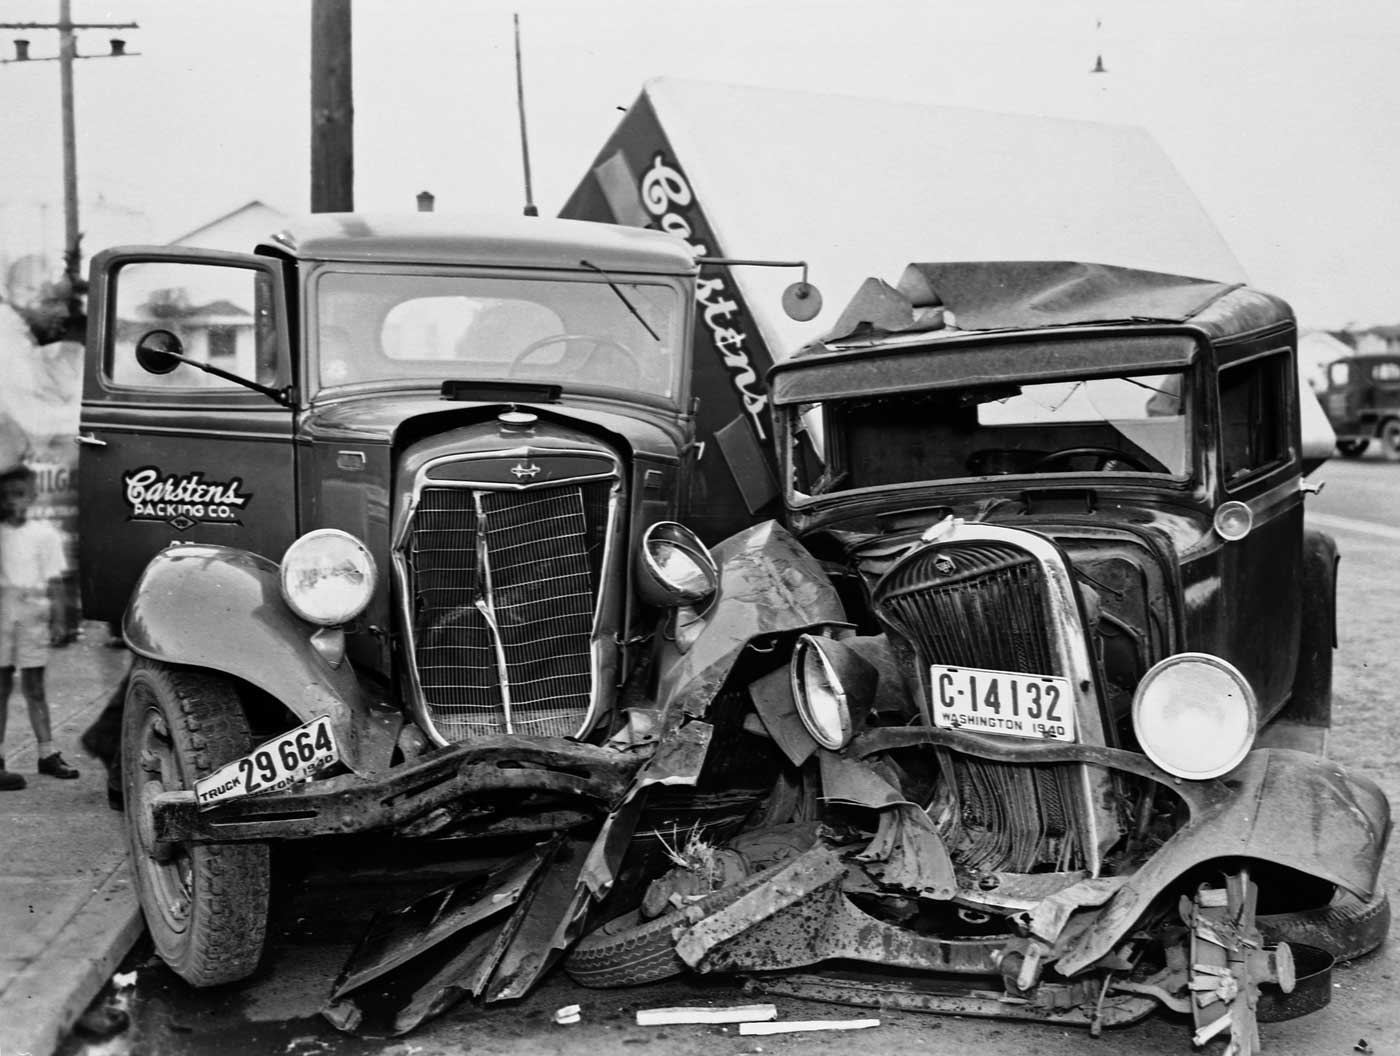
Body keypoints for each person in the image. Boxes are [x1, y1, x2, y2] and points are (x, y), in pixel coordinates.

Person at [0, 464, 79, 789]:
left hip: (33, 612)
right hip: (2, 611)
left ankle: (47, 753)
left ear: (31, 497)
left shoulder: (44, 533)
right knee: (1, 687)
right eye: (5, 497)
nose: (12, 503)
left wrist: (60, 618)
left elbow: (55, 581)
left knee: (35, 687)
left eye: (19, 495)